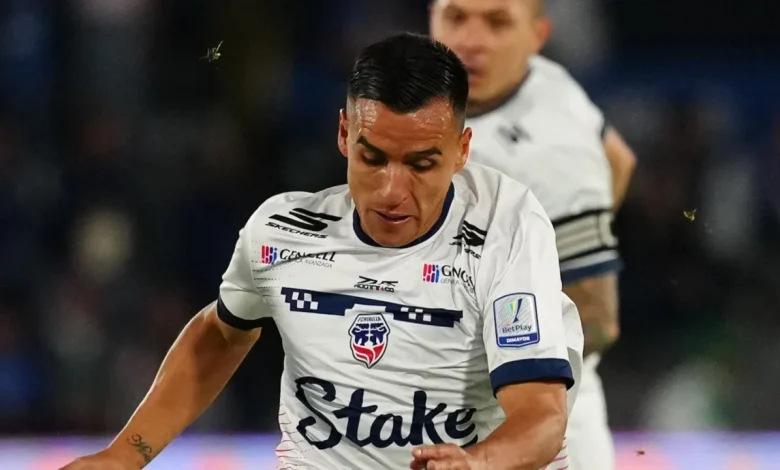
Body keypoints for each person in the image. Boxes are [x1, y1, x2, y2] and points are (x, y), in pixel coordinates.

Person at [60, 32, 583, 470]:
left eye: (422, 164)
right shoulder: (281, 232)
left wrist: (477, 463)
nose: (391, 191)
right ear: (343, 133)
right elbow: (220, 334)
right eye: (372, 158)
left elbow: (541, 414)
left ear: (462, 150)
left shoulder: (504, 225)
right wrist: (126, 455)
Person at [430, 1, 638, 470]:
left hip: (531, 435)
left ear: (537, 35)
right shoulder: (544, 81)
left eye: (497, 22)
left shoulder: (549, 144)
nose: (471, 40)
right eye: (455, 17)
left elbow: (598, 318)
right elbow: (620, 158)